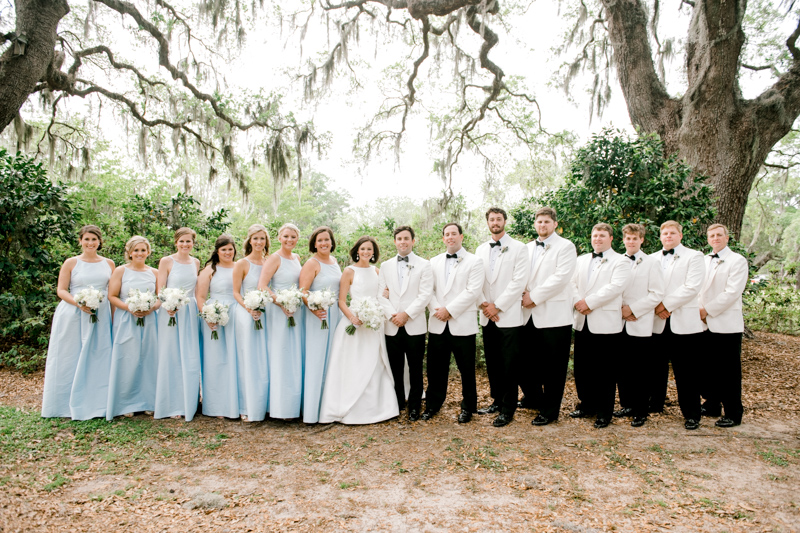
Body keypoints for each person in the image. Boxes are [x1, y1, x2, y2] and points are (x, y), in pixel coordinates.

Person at [319, 236, 399, 424]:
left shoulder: (377, 271)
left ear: (373, 253)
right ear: (357, 251)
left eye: (369, 249)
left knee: (375, 361)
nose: (366, 252)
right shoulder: (349, 271)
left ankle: (380, 409)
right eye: (363, 249)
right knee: (353, 363)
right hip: (353, 322)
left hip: (373, 323)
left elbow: (383, 294)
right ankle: (348, 406)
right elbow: (341, 300)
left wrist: (385, 295)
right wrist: (352, 317)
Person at [42, 225, 115, 420]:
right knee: (69, 356)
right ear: (80, 241)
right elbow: (61, 290)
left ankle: (97, 403)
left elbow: (113, 292)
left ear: (100, 242)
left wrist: (113, 319)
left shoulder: (109, 264)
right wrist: (79, 302)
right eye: (87, 239)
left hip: (100, 315)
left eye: (94, 239)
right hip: (72, 314)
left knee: (98, 356)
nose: (90, 243)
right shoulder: (71, 263)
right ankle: (62, 405)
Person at [519, 207, 577, 426]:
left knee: (554, 368)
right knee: (525, 363)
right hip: (527, 315)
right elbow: (519, 276)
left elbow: (561, 278)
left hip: (554, 316)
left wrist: (533, 297)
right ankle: (534, 398)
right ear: (535, 224)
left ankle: (550, 411)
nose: (542, 225)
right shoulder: (526, 248)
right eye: (539, 222)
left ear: (555, 224)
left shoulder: (566, 246)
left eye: (546, 222)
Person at [569, 223, 631, 428]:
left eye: (602, 235)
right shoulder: (581, 260)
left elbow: (616, 287)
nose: (598, 239)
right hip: (582, 321)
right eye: (595, 235)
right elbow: (571, 283)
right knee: (583, 368)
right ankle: (587, 405)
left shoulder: (621, 261)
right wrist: (579, 301)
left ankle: (605, 413)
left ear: (611, 238)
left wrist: (590, 303)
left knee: (605, 371)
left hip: (605, 323)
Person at [423, 222, 484, 423]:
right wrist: (437, 310)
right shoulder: (433, 262)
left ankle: (468, 407)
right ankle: (432, 405)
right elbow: (427, 291)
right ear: (443, 238)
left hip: (462, 324)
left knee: (466, 369)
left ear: (461, 237)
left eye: (454, 234)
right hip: (438, 323)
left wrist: (450, 310)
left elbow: (473, 291)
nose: (450, 237)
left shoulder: (474, 261)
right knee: (435, 368)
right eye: (447, 234)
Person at [475, 207, 529, 427]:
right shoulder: (479, 249)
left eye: (498, 219)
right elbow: (475, 280)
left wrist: (497, 306)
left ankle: (508, 408)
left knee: (509, 364)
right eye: (491, 219)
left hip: (508, 315)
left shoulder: (519, 248)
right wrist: (484, 305)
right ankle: (497, 400)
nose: (495, 222)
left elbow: (519, 282)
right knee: (493, 362)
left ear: (505, 221)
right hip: (487, 314)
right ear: (487, 223)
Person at [650, 220, 706, 430]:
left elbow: (692, 287)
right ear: (660, 236)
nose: (668, 236)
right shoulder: (652, 258)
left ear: (680, 236)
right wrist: (657, 307)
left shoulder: (694, 256)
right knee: (656, 368)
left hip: (683, 323)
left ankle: (692, 413)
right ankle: (655, 404)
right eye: (665, 233)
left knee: (687, 371)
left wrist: (666, 305)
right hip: (657, 322)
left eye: (672, 233)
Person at [377, 225, 433, 421]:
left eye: (406, 238)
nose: (403, 242)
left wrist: (406, 315)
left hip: (414, 324)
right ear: (395, 242)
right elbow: (380, 295)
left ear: (413, 241)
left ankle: (415, 407)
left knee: (416, 368)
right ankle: (398, 402)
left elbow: (425, 295)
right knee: (395, 367)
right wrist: (394, 315)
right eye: (399, 238)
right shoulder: (385, 266)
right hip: (392, 325)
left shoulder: (424, 265)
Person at [699, 223, 749, 427]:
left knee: (728, 371)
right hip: (703, 323)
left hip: (726, 323)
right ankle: (712, 404)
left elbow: (732, 292)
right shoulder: (703, 260)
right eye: (712, 235)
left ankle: (733, 412)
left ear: (727, 238)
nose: (716, 238)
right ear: (708, 239)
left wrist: (707, 310)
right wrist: (698, 312)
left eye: (719, 235)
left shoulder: (737, 261)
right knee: (708, 368)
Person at [106, 235, 161, 420]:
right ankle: (126, 402)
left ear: (148, 252)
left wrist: (150, 308)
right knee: (127, 358)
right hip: (126, 319)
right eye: (136, 250)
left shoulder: (154, 273)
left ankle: (149, 401)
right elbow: (112, 296)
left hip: (150, 319)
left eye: (143, 250)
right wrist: (130, 308)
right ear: (129, 252)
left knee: (148, 358)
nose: (139, 253)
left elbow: (161, 297)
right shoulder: (121, 271)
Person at [616, 223, 664, 427]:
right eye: (628, 238)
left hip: (639, 321)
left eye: (635, 238)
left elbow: (657, 293)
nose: (631, 241)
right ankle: (626, 405)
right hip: (617, 322)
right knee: (622, 368)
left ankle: (640, 410)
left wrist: (632, 309)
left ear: (642, 240)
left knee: (640, 370)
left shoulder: (652, 263)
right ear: (623, 240)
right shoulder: (617, 261)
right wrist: (620, 309)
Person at [154, 227, 202, 421]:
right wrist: (168, 304)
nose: (185, 245)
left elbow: (197, 290)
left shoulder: (196, 262)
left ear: (193, 243)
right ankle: (171, 404)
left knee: (189, 355)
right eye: (181, 241)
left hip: (189, 311)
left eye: (188, 241)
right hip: (170, 311)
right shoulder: (166, 261)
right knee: (171, 354)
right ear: (176, 242)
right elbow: (161, 288)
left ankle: (188, 402)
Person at [258, 223, 304, 420]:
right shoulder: (274, 258)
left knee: (294, 356)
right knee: (280, 355)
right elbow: (262, 286)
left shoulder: (297, 258)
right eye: (286, 236)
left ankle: (294, 405)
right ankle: (280, 408)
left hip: (296, 311)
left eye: (293, 236)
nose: (289, 240)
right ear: (279, 238)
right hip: (278, 312)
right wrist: (281, 303)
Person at [299, 226, 342, 424]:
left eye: (327, 239)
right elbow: (303, 291)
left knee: (333, 358)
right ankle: (312, 411)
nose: (324, 243)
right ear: (314, 244)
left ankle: (330, 407)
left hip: (336, 315)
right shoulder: (311, 263)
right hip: (318, 316)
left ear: (332, 242)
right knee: (317, 358)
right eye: (320, 240)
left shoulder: (334, 262)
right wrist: (315, 309)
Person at [197, 234, 239, 419]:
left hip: (235, 315)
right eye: (224, 250)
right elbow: (200, 297)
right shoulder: (209, 270)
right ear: (217, 251)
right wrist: (207, 315)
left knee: (234, 358)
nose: (227, 253)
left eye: (230, 249)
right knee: (215, 359)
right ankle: (216, 406)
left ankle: (234, 402)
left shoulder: (240, 267)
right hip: (214, 314)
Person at [232, 224, 270, 422]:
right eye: (255, 238)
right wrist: (249, 308)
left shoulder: (269, 262)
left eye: (262, 238)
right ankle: (246, 405)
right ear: (249, 240)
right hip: (246, 313)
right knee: (247, 358)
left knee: (264, 358)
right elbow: (236, 292)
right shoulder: (242, 263)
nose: (258, 242)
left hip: (266, 314)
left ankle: (265, 404)